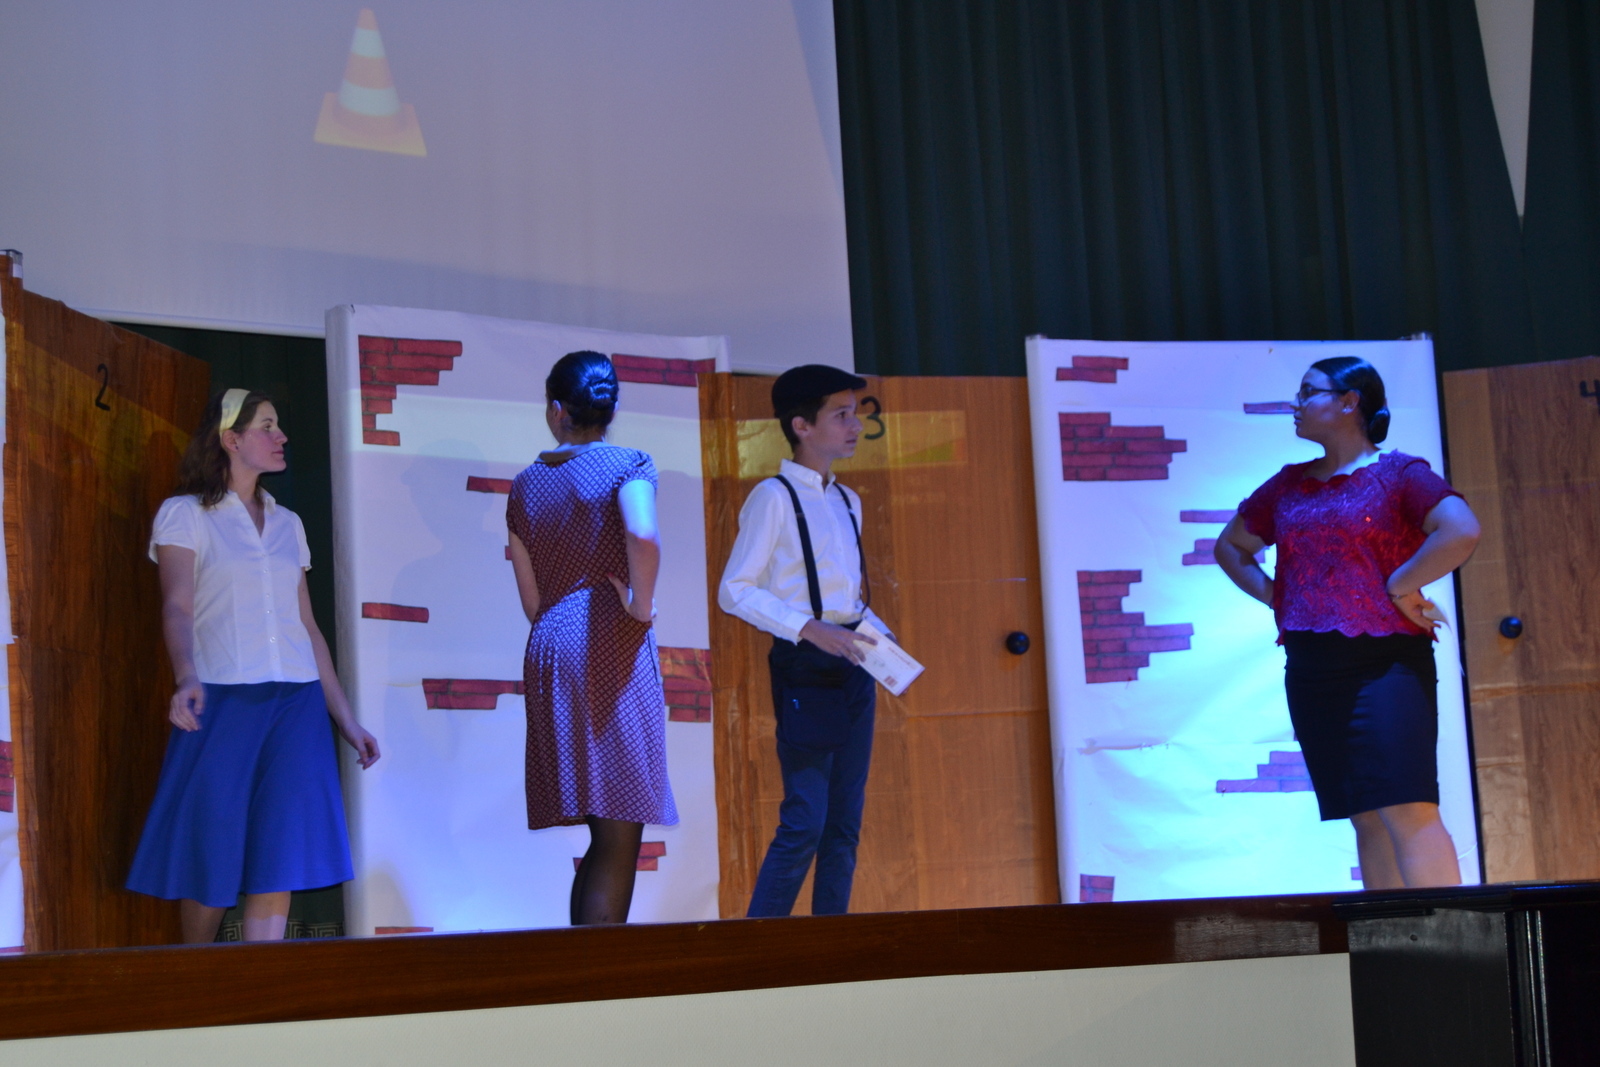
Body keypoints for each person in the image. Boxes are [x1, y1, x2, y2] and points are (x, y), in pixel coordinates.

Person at [1215, 357, 1480, 890]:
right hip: (1312, 672)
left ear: (1348, 401)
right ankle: (1392, 937)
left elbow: (1461, 530)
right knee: (1365, 815)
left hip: (1386, 666)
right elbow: (1230, 548)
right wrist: (1283, 599)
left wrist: (1399, 584)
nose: (1296, 404)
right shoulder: (1288, 485)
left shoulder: (1399, 474)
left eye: (1307, 392)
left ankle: (1453, 936)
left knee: (1407, 807)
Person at [127, 388, 380, 943]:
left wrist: (344, 719)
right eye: (267, 426)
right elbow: (176, 607)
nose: (281, 435)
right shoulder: (185, 514)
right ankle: (199, 982)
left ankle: (260, 981)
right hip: (224, 698)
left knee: (280, 853)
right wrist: (185, 676)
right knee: (211, 848)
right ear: (230, 439)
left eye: (277, 424)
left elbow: (307, 627)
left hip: (296, 703)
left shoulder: (288, 523)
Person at [507, 351, 677, 926]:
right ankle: (598, 972)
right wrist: (641, 608)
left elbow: (532, 602)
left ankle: (579, 967)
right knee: (619, 830)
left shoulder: (526, 485)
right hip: (609, 636)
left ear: (557, 409)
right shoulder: (629, 464)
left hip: (552, 644)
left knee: (603, 831)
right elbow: (643, 533)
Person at [718, 364, 893, 917]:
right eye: (840, 415)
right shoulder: (772, 497)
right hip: (805, 665)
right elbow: (734, 589)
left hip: (854, 662)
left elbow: (848, 599)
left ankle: (830, 947)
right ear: (801, 426)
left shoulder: (848, 501)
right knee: (805, 821)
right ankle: (758, 948)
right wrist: (806, 627)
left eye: (855, 414)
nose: (855, 426)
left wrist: (883, 641)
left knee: (844, 823)